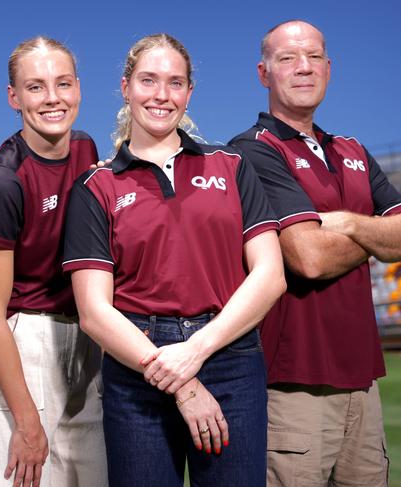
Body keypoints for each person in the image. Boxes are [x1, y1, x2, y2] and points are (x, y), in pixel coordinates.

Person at [63, 33, 286, 487]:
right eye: (148, 80)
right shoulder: (96, 187)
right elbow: (93, 312)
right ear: (126, 87)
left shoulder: (232, 166)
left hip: (230, 356)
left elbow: (271, 275)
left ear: (189, 93)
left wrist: (197, 350)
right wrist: (181, 381)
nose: (161, 95)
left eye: (175, 82)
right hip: (137, 363)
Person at [230, 20, 401, 486]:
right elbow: (309, 257)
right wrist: (375, 235)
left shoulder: (353, 151)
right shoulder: (251, 152)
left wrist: (345, 223)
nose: (303, 68)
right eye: (287, 58)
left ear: (329, 68)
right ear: (264, 73)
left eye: (313, 57)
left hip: (362, 383)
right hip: (292, 387)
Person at [0, 37, 107, 487]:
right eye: (35, 87)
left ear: (79, 89)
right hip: (21, 341)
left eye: (62, 84)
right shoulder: (2, 183)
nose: (52, 98)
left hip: (85, 335)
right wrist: (26, 422)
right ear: (14, 97)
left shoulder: (86, 148)